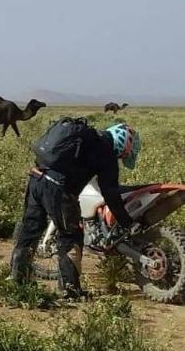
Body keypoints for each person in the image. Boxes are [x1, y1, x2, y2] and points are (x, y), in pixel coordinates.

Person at [11, 120, 141, 298]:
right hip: (58, 188)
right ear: (123, 143)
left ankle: (17, 282)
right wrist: (127, 222)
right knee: (70, 235)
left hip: (36, 178)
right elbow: (110, 193)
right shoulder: (105, 151)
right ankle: (70, 289)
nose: (121, 157)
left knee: (29, 231)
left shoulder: (84, 138)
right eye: (124, 154)